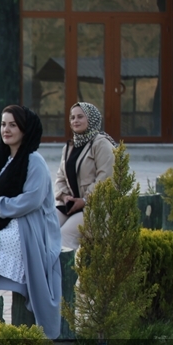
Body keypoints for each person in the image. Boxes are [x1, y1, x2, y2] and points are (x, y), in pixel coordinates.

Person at [0, 105, 62, 338]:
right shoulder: (5, 158)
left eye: (12, 124)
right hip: (5, 222)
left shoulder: (34, 160)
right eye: (3, 124)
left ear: (25, 128)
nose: (6, 129)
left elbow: (32, 199)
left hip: (27, 227)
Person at [54, 102, 115, 250]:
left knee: (63, 238)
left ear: (91, 119)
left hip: (96, 207)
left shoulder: (102, 144)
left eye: (80, 117)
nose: (75, 120)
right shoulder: (69, 147)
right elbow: (60, 177)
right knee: (44, 229)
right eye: (72, 117)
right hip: (70, 206)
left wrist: (85, 200)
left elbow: (106, 179)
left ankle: (66, 273)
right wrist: (64, 197)